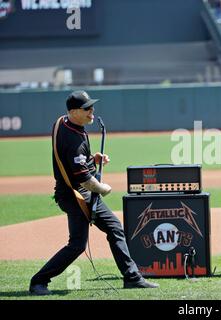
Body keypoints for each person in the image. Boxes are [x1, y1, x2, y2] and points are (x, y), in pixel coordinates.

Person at [29, 91, 159, 295]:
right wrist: (104, 188)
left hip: (73, 191)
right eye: (87, 109)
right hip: (76, 195)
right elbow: (85, 180)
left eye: (92, 107)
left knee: (114, 228)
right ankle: (38, 281)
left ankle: (132, 277)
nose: (92, 111)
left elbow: (74, 159)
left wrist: (91, 160)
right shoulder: (74, 140)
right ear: (73, 111)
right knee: (78, 245)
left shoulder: (63, 122)